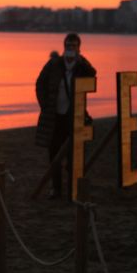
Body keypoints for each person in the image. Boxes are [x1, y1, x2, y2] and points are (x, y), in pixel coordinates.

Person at [35, 33, 96, 199]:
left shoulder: (81, 66)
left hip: (72, 117)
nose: (70, 48)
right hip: (55, 117)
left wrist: (81, 59)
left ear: (78, 48)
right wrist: (45, 105)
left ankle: (72, 190)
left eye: (74, 46)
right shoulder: (54, 64)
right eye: (68, 46)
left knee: (73, 156)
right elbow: (40, 83)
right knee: (54, 154)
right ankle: (56, 190)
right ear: (64, 47)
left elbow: (92, 74)